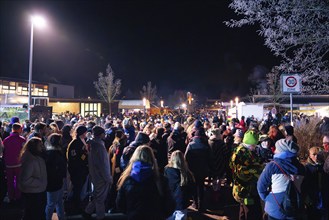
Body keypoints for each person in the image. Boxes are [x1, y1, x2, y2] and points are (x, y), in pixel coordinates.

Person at [116, 145, 175, 220]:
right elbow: (170, 205)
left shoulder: (126, 180)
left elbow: (120, 204)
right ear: (152, 159)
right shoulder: (160, 180)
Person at [257, 139, 305, 220]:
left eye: (277, 149)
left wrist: (268, 199)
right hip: (294, 207)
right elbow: (304, 188)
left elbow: (261, 186)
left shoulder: (272, 166)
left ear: (282, 151)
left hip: (275, 208)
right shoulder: (301, 168)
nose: (275, 151)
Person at [231, 130, 263, 220]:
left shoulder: (242, 150)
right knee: (250, 212)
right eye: (254, 145)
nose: (255, 147)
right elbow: (242, 172)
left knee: (243, 210)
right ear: (250, 144)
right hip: (246, 188)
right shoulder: (242, 153)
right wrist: (258, 170)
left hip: (242, 187)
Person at [83, 126, 113, 220]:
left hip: (94, 174)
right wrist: (108, 178)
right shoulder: (100, 147)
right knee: (100, 198)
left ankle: (87, 212)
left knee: (97, 196)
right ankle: (100, 216)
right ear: (101, 134)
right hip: (101, 176)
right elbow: (104, 165)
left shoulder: (92, 144)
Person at [18, 137, 47, 220]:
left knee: (31, 213)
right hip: (33, 192)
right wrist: (40, 182)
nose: (42, 147)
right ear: (34, 147)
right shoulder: (31, 160)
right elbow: (25, 179)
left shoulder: (34, 157)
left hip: (36, 191)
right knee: (34, 214)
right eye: (40, 145)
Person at [184, 129, 211, 212]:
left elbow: (186, 157)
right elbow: (210, 158)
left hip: (193, 170)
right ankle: (201, 204)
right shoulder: (206, 145)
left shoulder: (191, 145)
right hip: (203, 170)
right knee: (201, 186)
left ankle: (195, 203)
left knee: (194, 187)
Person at [165, 150, 194, 220]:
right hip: (182, 203)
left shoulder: (167, 170)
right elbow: (192, 189)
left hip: (169, 201)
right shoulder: (187, 173)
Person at [66, 125, 89, 214]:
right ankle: (75, 206)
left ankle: (77, 204)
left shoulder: (82, 141)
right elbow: (74, 157)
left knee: (78, 188)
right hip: (77, 169)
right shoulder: (75, 143)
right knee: (77, 188)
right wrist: (84, 155)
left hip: (81, 169)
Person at [45, 133, 66, 220]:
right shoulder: (55, 154)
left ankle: (59, 217)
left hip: (53, 182)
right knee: (53, 203)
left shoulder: (49, 153)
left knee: (56, 202)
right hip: (55, 182)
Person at [3, 123, 26, 203]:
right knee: (18, 180)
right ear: (19, 129)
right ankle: (18, 196)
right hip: (18, 163)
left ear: (12, 129)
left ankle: (10, 196)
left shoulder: (6, 140)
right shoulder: (22, 139)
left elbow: (3, 151)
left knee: (9, 181)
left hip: (8, 164)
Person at [304, 146, 328, 220]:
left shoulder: (322, 166)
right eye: (314, 154)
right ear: (310, 155)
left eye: (317, 154)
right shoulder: (307, 168)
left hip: (323, 194)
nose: (316, 156)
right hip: (312, 195)